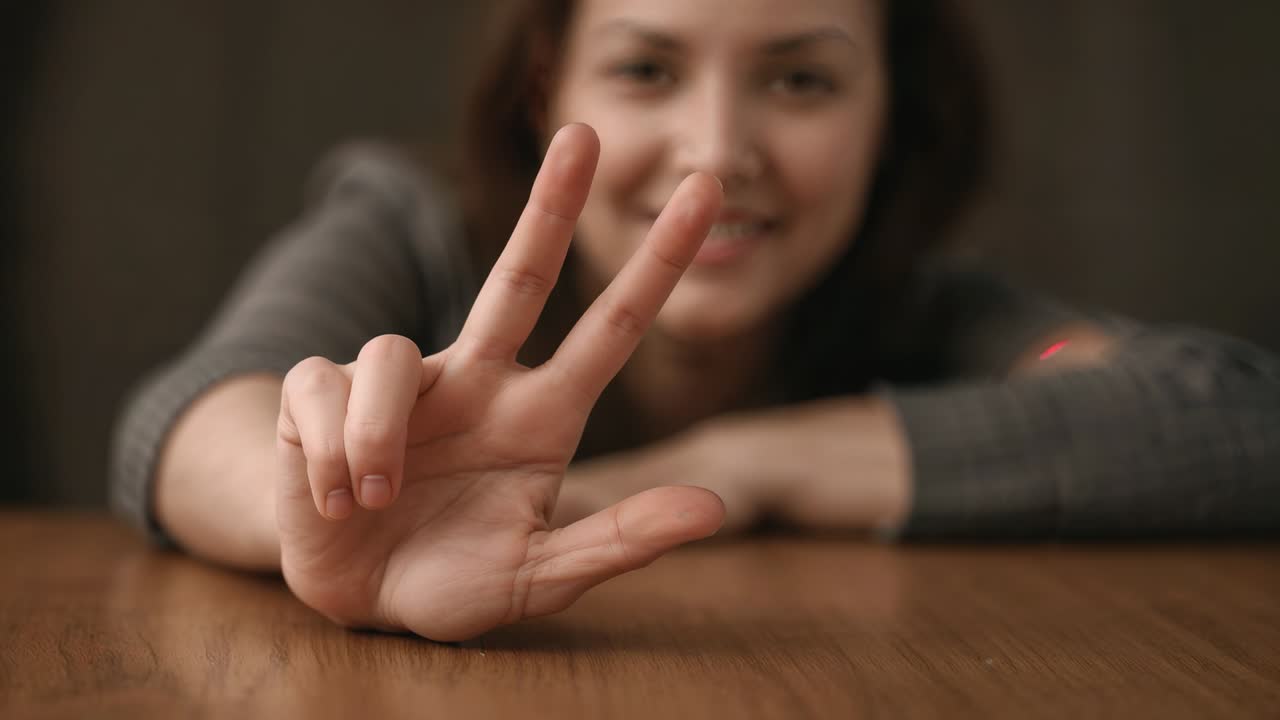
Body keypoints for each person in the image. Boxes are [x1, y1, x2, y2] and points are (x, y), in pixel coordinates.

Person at [111, 0, 1279, 641]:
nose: (714, 154)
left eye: (800, 80)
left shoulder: (928, 307)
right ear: (544, 88)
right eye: (645, 71)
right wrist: (329, 501)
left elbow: (1223, 415)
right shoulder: (412, 226)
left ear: (891, 114)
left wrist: (746, 465)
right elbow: (193, 416)